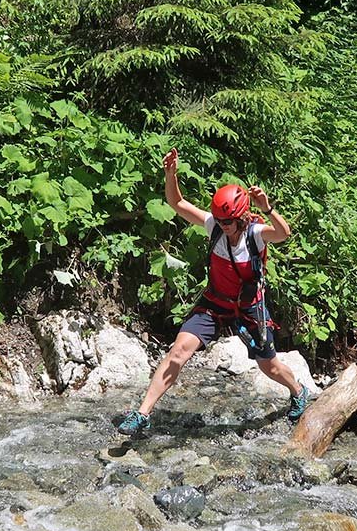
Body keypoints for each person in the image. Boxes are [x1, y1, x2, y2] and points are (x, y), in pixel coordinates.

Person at [117, 147, 311, 435]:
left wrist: (267, 208)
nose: (222, 225)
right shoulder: (215, 226)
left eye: (227, 221)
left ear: (241, 217)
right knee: (178, 352)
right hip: (215, 303)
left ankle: (297, 390)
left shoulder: (255, 234)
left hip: (249, 307)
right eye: (219, 220)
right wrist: (171, 174)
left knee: (269, 366)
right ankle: (142, 414)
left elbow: (283, 234)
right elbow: (177, 203)